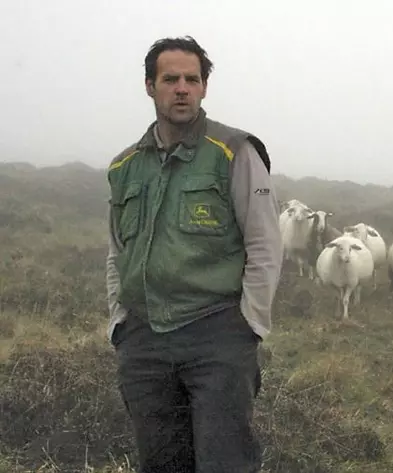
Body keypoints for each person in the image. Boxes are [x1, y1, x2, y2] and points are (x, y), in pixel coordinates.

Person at [104, 35, 283, 473]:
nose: (181, 88)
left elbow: (265, 242)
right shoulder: (124, 166)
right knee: (161, 462)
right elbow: (116, 250)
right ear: (150, 86)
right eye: (170, 79)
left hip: (216, 335)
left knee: (224, 462)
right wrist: (119, 322)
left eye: (192, 79)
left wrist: (249, 324)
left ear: (204, 87)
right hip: (143, 342)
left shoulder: (234, 152)